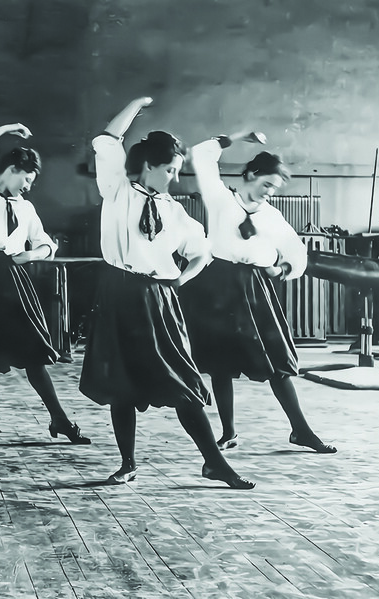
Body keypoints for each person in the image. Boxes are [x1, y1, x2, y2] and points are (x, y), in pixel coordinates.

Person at [79, 96, 253, 489]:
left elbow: (202, 252)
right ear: (148, 166)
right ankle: (127, 463)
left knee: (183, 383)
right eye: (170, 170)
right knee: (122, 384)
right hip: (119, 293)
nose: (175, 178)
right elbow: (107, 139)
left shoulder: (175, 211)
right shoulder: (117, 189)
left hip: (159, 300)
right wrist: (136, 104)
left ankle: (214, 462)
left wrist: (179, 280)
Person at [183, 133, 336, 453]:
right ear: (251, 175)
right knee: (220, 364)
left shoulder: (272, 216)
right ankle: (228, 433)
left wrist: (282, 271)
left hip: (256, 290)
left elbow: (297, 252)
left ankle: (301, 430)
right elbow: (200, 154)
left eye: (275, 189)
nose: (270, 193)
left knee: (275, 363)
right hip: (219, 285)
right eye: (267, 184)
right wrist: (239, 137)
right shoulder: (220, 198)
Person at [0, 123, 91, 445]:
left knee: (34, 354)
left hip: (13, 278)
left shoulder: (25, 208)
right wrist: (9, 128)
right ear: (13, 169)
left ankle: (60, 419)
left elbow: (47, 244)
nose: (29, 186)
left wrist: (30, 255)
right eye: (27, 178)